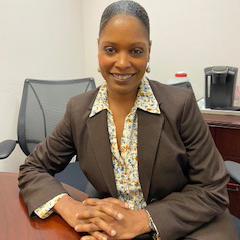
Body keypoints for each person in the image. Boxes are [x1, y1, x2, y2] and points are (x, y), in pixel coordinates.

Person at [18, 1, 238, 240]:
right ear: (99, 49)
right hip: (112, 228)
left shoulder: (180, 106)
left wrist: (144, 219)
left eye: (135, 51)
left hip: (184, 225)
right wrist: (70, 208)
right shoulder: (79, 110)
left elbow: (212, 189)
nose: (122, 63)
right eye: (111, 49)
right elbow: (33, 168)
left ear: (149, 51)